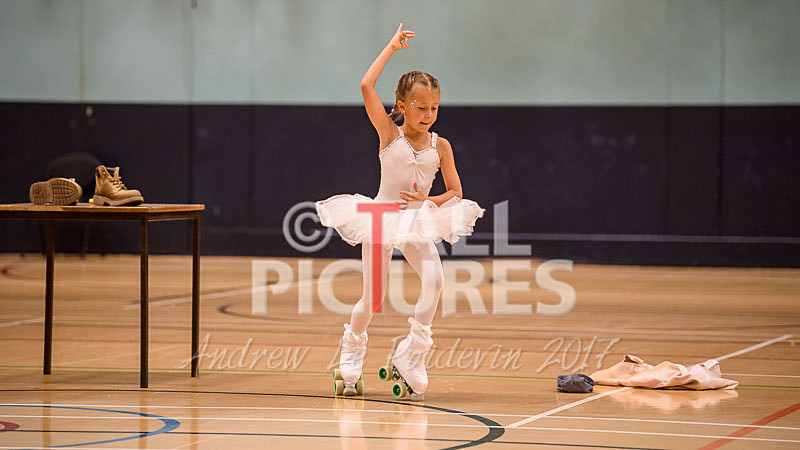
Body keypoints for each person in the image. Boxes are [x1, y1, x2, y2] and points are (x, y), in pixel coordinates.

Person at [315, 23, 485, 400]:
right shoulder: (389, 134)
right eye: (421, 108)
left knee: (435, 280)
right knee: (373, 299)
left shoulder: (441, 146)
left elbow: (456, 193)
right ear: (403, 106)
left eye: (434, 108)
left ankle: (412, 353)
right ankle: (352, 349)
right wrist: (391, 47)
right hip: (379, 218)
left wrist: (428, 201)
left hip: (417, 221)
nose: (429, 114)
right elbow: (366, 85)